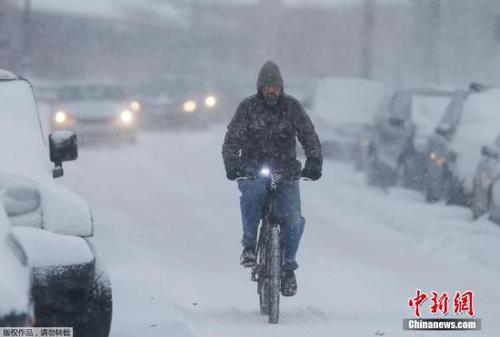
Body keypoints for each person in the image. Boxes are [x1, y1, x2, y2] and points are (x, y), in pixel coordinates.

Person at [222, 61, 323, 297]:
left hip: (286, 170)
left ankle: (288, 268)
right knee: (252, 195)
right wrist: (232, 164)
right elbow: (232, 141)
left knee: (294, 219)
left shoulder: (292, 108)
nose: (271, 91)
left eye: (275, 86)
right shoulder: (247, 108)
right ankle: (249, 246)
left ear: (281, 88)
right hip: (252, 169)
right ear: (260, 87)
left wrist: (314, 161)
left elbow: (309, 136)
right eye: (267, 86)